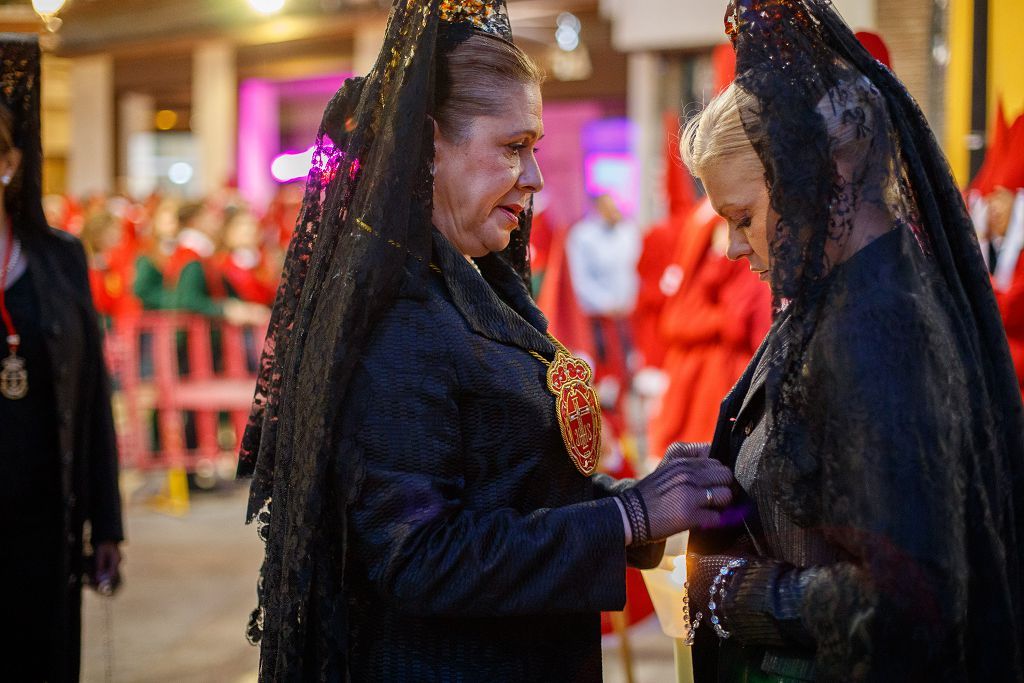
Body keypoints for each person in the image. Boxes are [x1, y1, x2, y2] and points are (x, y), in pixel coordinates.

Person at [236, 1, 735, 680]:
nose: (533, 178)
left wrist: (640, 504)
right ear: (429, 145)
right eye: (512, 147)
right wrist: (624, 516)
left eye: (534, 148)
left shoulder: (470, 285)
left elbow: (511, 488)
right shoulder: (402, 318)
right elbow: (416, 555)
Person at [678, 1, 1023, 680]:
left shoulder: (874, 326)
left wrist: (730, 592)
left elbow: (905, 598)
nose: (729, 246)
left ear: (820, 173)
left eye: (742, 216)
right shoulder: (835, 294)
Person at [0, 35, 123, 682]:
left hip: (45, 523)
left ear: (10, 162)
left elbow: (91, 396)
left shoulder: (58, 257)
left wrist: (106, 521)